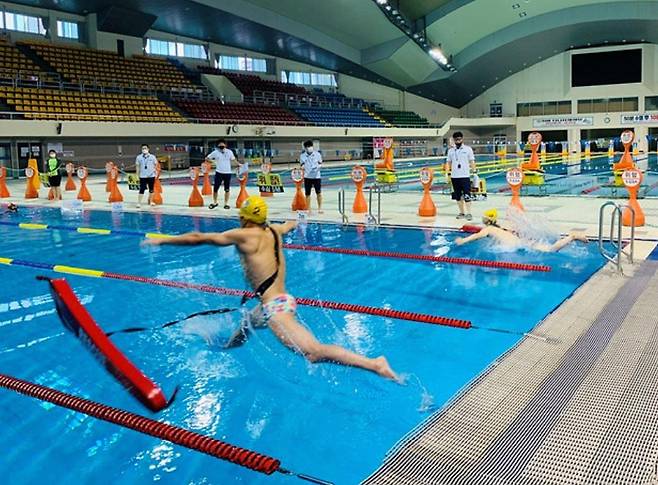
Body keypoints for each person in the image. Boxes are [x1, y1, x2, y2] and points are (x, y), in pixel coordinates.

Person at [145, 195, 399, 381]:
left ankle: (374, 364)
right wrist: (295, 220)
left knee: (313, 352)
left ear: (245, 219)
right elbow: (287, 225)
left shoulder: (247, 235)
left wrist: (163, 240)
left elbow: (200, 238)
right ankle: (227, 347)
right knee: (245, 326)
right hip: (275, 302)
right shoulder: (273, 230)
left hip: (275, 307)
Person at [455, 209, 588, 252]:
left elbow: (477, 236)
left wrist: (463, 240)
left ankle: (572, 236)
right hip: (523, 242)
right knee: (550, 248)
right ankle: (571, 237)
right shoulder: (502, 227)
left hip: (520, 245)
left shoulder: (489, 229)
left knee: (551, 250)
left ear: (486, 221)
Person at [445, 131, 476, 220]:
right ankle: (462, 213)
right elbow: (448, 162)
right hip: (455, 177)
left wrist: (475, 172)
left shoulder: (468, 149)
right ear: (454, 140)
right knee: (458, 196)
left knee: (467, 195)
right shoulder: (451, 151)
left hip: (465, 176)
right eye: (456, 139)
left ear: (462, 139)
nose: (458, 141)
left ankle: (469, 213)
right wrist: (447, 173)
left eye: (459, 139)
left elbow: (472, 161)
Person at [206, 139, 238, 210]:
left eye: (222, 145)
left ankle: (226, 203)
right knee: (215, 189)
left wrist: (239, 164)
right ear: (217, 146)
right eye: (220, 146)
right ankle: (215, 202)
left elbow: (233, 160)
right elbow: (207, 158)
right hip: (219, 172)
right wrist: (213, 161)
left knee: (227, 189)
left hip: (227, 173)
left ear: (225, 145)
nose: (221, 147)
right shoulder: (215, 152)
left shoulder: (229, 152)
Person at [300, 140, 323, 213]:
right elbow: (302, 165)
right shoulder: (302, 156)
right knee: (307, 194)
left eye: (310, 146)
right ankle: (308, 209)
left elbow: (320, 163)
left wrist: (317, 167)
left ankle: (320, 208)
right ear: (305, 148)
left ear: (312, 147)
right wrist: (305, 168)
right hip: (307, 177)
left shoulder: (318, 154)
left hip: (316, 177)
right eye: (307, 147)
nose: (309, 148)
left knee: (318, 193)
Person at [135, 144, 157, 208]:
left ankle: (151, 201)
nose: (144, 150)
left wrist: (154, 172)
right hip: (142, 176)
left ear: (148, 149)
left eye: (145, 148)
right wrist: (137, 175)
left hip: (151, 175)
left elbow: (156, 165)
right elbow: (137, 166)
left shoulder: (152, 157)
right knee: (142, 189)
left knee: (151, 189)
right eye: (143, 149)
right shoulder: (139, 157)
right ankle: (139, 203)